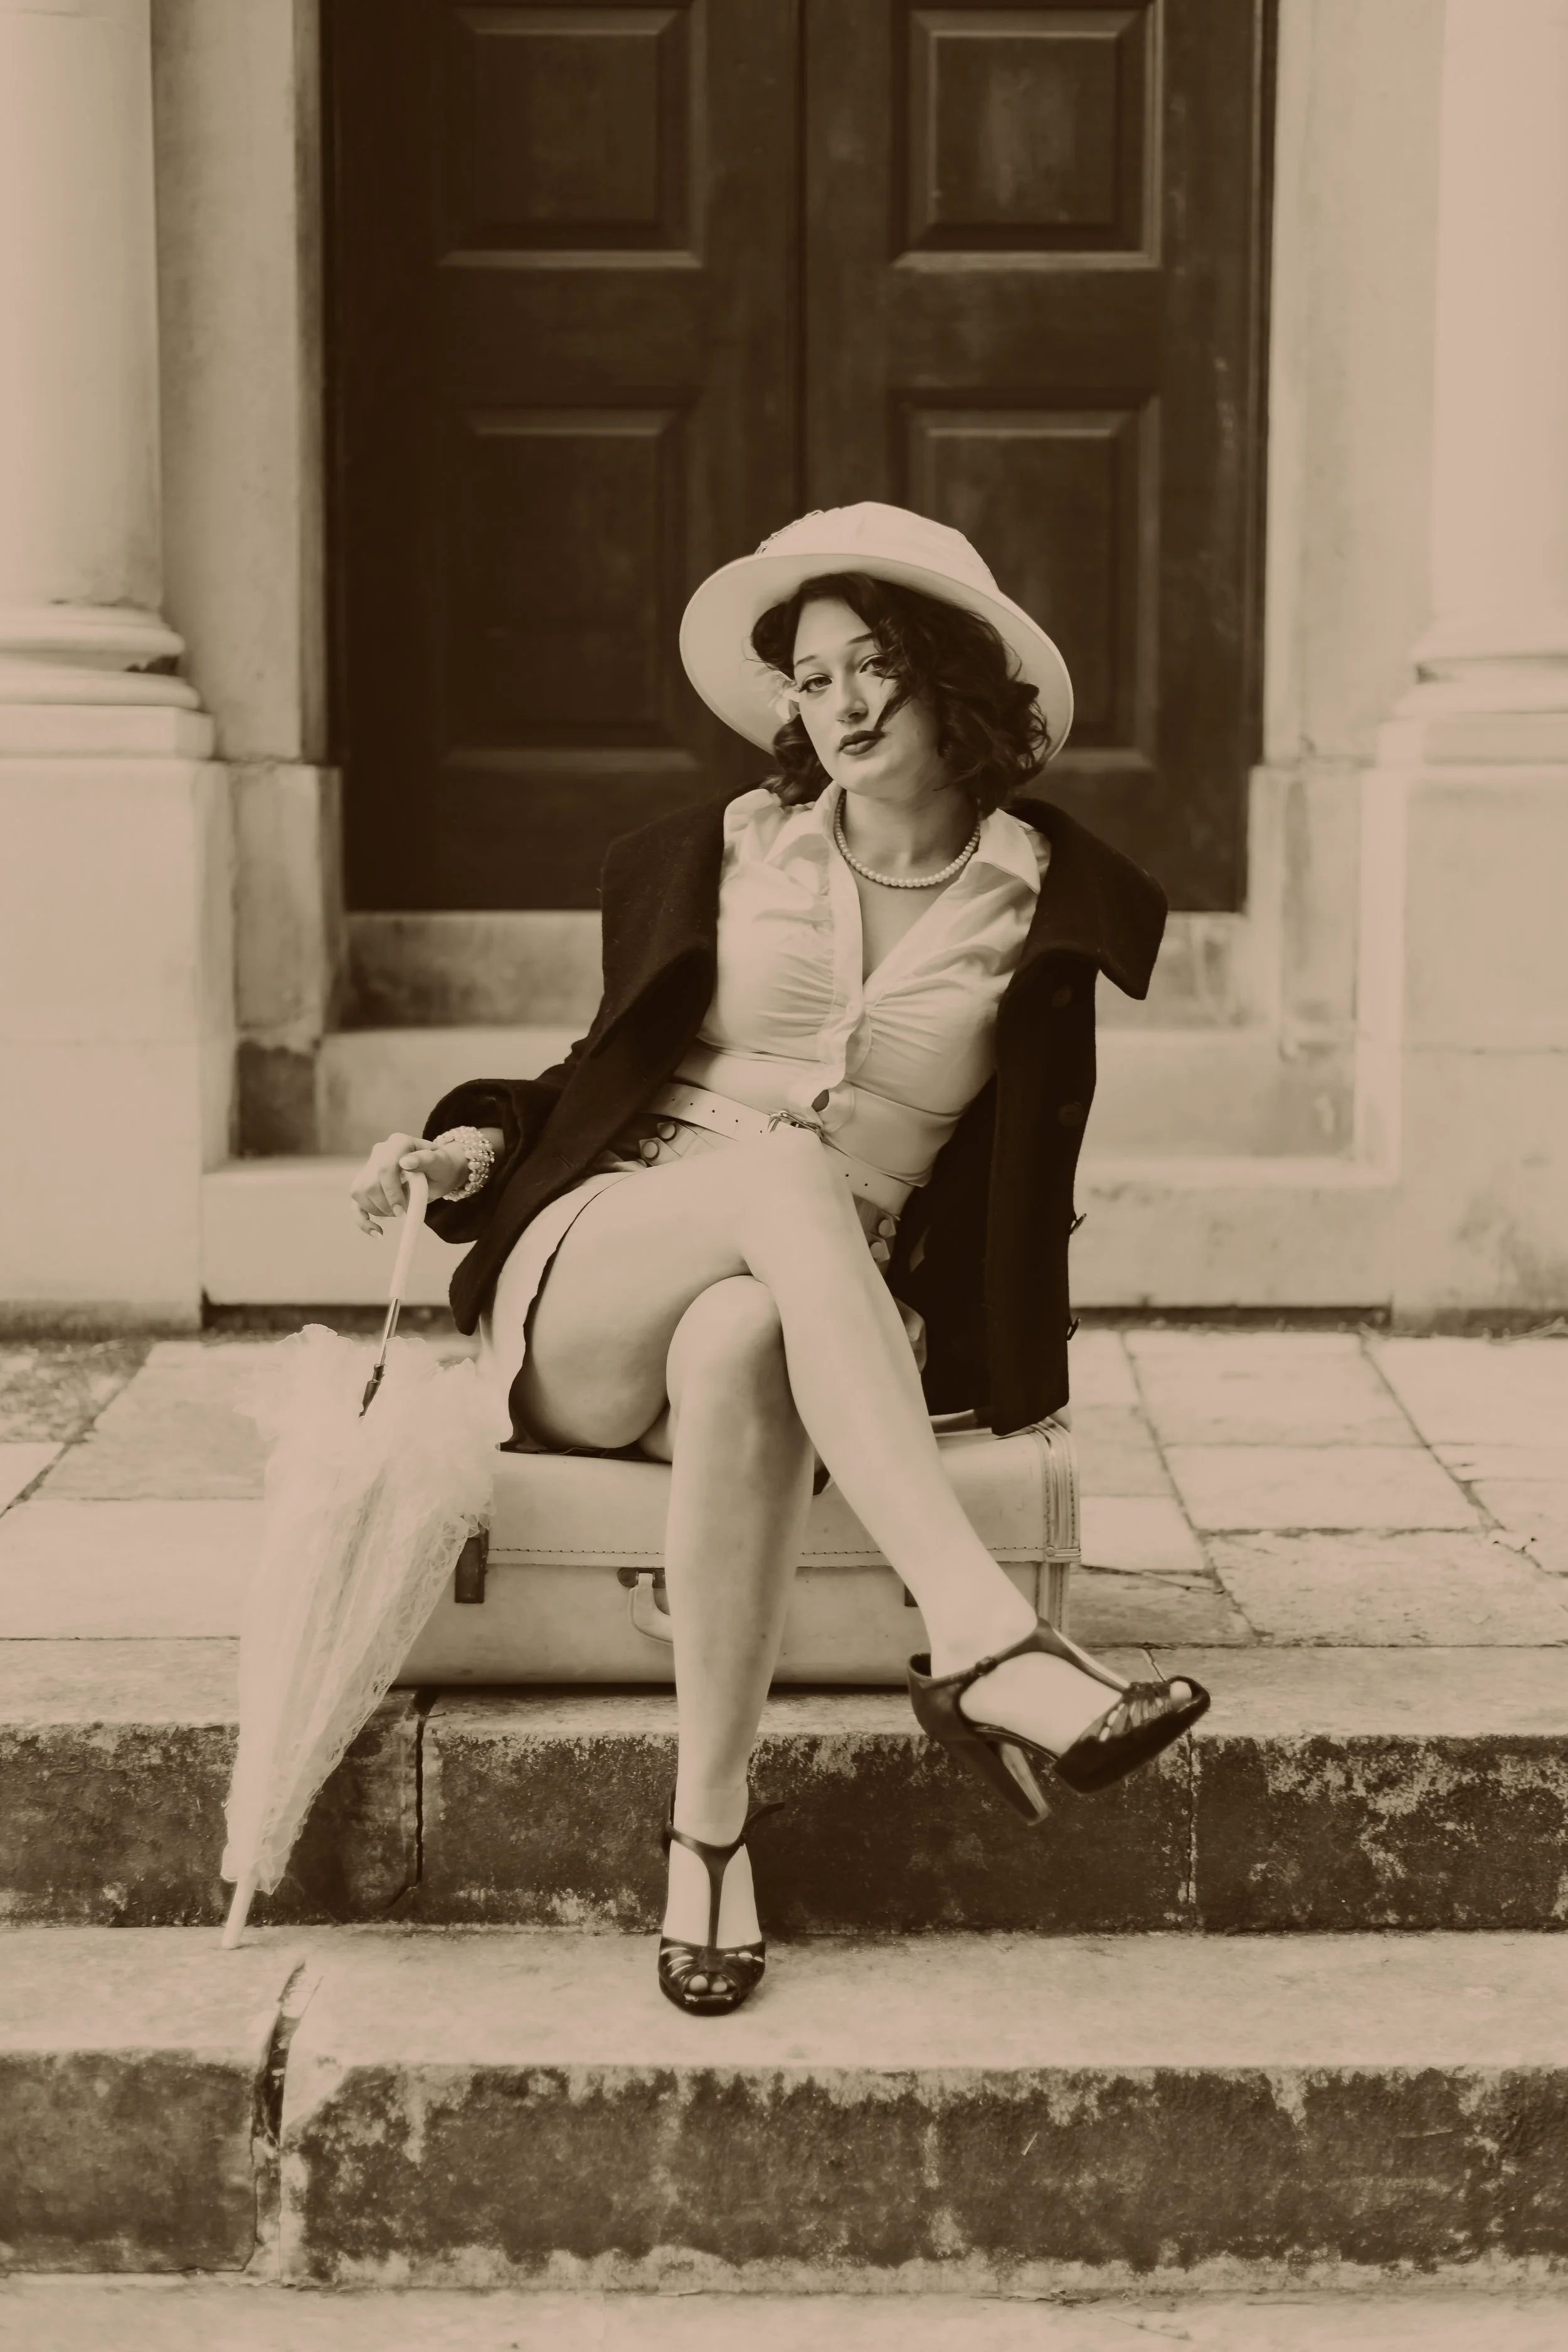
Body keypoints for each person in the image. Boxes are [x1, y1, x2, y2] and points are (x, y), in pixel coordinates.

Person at [349, 503, 1209, 2018]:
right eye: (811, 679)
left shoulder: (1035, 904)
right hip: (608, 1264)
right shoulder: (728, 850)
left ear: (957, 681)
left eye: (875, 664)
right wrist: (467, 1155)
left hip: (818, 1301)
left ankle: (708, 1839)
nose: (843, 704)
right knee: (779, 1172)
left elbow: (1006, 1176)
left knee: (749, 1338)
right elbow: (595, 1068)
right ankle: (985, 1640)